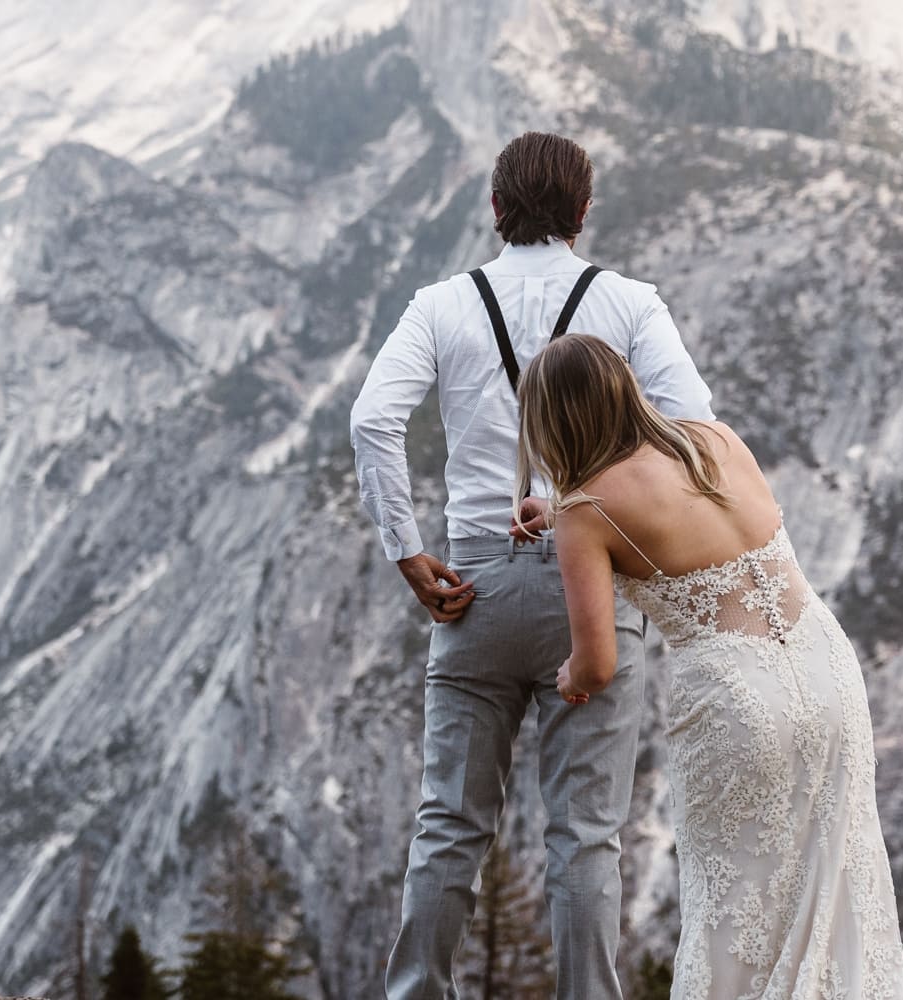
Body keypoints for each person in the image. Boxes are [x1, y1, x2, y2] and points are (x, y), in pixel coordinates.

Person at [349, 132, 713, 999]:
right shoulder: (626, 303)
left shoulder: (441, 304)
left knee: (449, 823)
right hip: (591, 581)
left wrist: (407, 549)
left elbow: (372, 421)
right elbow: (695, 423)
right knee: (584, 833)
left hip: (470, 585)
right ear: (584, 213)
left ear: (495, 208)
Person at [514, 334, 903, 999]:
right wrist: (557, 515)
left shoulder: (588, 511)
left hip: (736, 702)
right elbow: (671, 509)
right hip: (828, 669)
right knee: (834, 881)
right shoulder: (714, 440)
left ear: (552, 421)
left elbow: (598, 663)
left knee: (736, 906)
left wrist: (568, 679)